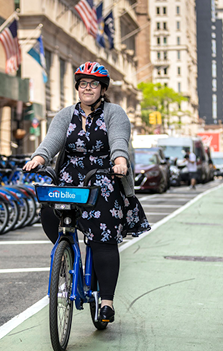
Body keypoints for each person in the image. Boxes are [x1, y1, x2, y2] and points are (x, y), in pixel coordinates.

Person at [24, 61, 151, 323]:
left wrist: (120, 161)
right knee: (48, 213)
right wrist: (39, 158)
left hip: (103, 178)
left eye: (94, 84)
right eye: (83, 84)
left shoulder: (114, 113)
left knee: (103, 237)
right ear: (77, 88)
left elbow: (118, 140)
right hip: (69, 180)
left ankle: (106, 302)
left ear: (102, 89)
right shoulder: (65, 115)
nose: (88, 88)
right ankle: (68, 255)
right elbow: (51, 141)